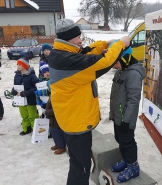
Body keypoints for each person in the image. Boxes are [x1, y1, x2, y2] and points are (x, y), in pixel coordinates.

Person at [48, 18, 130, 185]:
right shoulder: (68, 62)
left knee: (79, 163)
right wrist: (120, 44)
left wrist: (106, 43)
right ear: (69, 39)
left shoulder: (63, 53)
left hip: (74, 119)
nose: (81, 41)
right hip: (76, 123)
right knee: (81, 168)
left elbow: (86, 52)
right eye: (78, 37)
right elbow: (103, 62)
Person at [109, 47, 146, 183]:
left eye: (116, 62)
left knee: (127, 141)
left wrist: (127, 121)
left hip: (126, 119)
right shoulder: (121, 71)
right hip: (118, 116)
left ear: (126, 59)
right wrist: (113, 113)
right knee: (119, 139)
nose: (114, 65)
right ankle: (126, 160)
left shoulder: (133, 74)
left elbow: (133, 100)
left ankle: (133, 166)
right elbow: (116, 95)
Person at [11, 58, 39, 135]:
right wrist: (13, 90)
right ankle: (26, 128)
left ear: (25, 66)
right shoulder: (17, 75)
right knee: (24, 115)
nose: (18, 66)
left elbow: (37, 86)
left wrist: (27, 92)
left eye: (20, 64)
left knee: (32, 115)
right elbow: (15, 85)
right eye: (18, 64)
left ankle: (36, 129)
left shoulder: (32, 76)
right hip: (20, 99)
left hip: (30, 99)